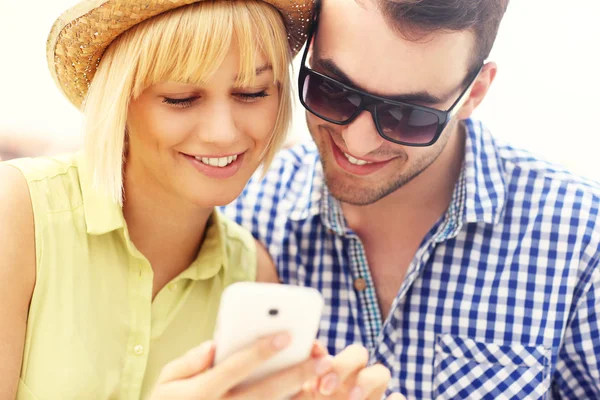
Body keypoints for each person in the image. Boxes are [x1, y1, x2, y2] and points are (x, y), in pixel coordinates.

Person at [0, 1, 404, 399]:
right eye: (180, 98)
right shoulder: (17, 212)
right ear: (120, 101)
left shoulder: (253, 273)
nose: (222, 133)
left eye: (251, 92)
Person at [222, 0, 600, 398]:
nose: (357, 141)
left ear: (475, 92)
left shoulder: (581, 240)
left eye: (408, 115)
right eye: (332, 90)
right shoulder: (242, 213)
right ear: (309, 51)